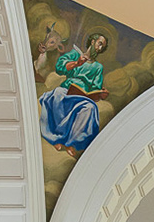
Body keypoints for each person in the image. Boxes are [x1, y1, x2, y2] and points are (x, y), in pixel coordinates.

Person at [39, 30, 110, 158]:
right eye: (99, 44)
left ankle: (71, 143)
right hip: (67, 89)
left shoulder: (98, 67)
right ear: (92, 41)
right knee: (57, 94)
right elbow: (60, 67)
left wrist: (101, 94)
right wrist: (77, 63)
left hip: (83, 97)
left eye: (102, 47)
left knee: (90, 108)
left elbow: (95, 87)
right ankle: (57, 138)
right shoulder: (75, 54)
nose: (99, 48)